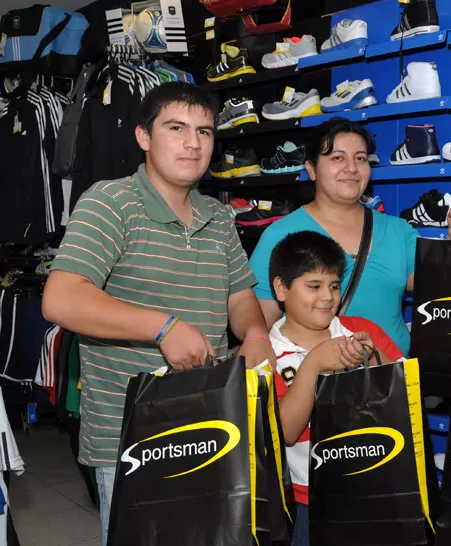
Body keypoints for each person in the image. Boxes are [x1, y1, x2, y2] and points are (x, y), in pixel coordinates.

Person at [42, 82, 275, 545]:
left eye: (205, 132)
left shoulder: (218, 216)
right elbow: (61, 298)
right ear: (143, 137)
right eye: (177, 128)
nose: (193, 143)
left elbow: (239, 296)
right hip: (133, 438)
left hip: (214, 424)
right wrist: (163, 327)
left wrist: (253, 333)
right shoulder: (110, 203)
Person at [267, 230, 404, 546]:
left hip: (377, 487)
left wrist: (372, 356)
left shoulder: (361, 330)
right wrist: (313, 365)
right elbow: (285, 430)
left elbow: (408, 391)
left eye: (334, 286)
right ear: (281, 288)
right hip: (306, 500)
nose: (327, 297)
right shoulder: (268, 353)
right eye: (313, 286)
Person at [248, 118, 417, 355]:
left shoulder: (399, 231)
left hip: (391, 380)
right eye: (337, 157)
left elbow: (438, 288)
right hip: (314, 382)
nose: (351, 168)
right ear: (311, 169)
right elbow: (258, 325)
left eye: (360, 158)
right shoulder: (280, 235)